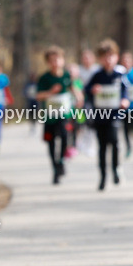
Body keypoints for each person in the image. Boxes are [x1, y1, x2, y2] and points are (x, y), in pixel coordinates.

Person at [83, 39, 131, 190]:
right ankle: (103, 176)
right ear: (100, 59)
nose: (108, 60)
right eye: (105, 56)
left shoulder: (119, 74)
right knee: (102, 147)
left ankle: (116, 169)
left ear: (117, 57)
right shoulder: (96, 75)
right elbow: (87, 92)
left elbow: (127, 91)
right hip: (100, 116)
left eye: (111, 56)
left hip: (115, 116)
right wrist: (92, 90)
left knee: (115, 142)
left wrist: (125, 101)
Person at [36, 46, 81, 184]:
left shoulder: (67, 75)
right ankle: (54, 168)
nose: (55, 62)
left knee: (64, 137)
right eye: (52, 60)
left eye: (58, 59)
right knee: (50, 143)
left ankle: (61, 161)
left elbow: (73, 87)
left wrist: (78, 96)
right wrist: (50, 92)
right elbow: (38, 96)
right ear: (48, 62)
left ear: (62, 60)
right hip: (50, 116)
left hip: (64, 115)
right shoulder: (44, 78)